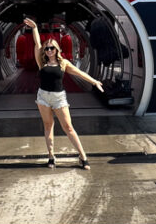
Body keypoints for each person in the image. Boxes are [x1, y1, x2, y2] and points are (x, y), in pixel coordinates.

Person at [23, 17, 102, 169]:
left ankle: (82, 156)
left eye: (52, 48)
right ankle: (51, 156)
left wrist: (94, 82)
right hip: (43, 97)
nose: (49, 50)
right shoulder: (41, 62)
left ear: (57, 49)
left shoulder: (63, 63)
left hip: (59, 98)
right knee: (48, 126)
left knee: (68, 127)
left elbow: (79, 72)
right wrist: (34, 28)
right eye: (47, 48)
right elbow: (37, 43)